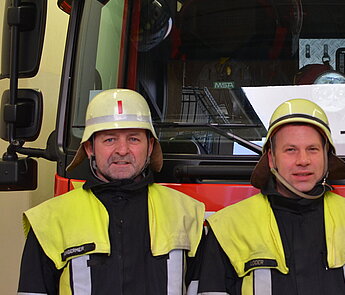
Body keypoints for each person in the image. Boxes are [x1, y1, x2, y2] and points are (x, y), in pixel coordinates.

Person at [18, 88, 205, 294]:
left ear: (150, 146)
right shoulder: (49, 220)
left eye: (134, 139)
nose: (122, 150)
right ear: (90, 148)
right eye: (110, 139)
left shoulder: (187, 213)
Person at [194, 98, 345, 294]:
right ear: (271, 158)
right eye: (290, 150)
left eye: (312, 149)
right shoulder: (228, 227)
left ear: (326, 156)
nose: (303, 160)